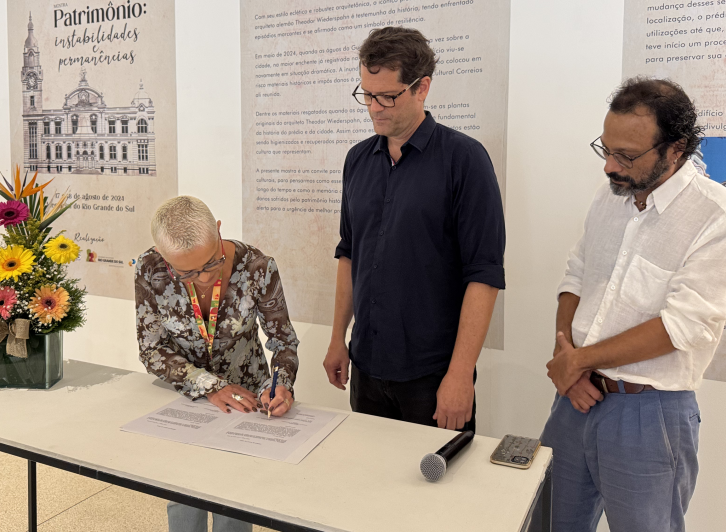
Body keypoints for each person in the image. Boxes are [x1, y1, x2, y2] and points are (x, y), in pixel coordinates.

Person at [539, 78, 726, 531]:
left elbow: (680, 327)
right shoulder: (610, 197)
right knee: (548, 524)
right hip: (574, 398)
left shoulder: (719, 216)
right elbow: (575, 276)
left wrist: (577, 361)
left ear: (675, 149)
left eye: (627, 156)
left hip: (648, 416)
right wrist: (566, 356)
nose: (609, 167)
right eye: (606, 150)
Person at [322, 26, 505, 431]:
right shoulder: (357, 160)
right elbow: (349, 251)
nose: (374, 107)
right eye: (367, 94)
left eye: (388, 96)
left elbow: (485, 275)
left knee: (437, 489)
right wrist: (339, 337)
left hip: (432, 375)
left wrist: (460, 376)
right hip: (367, 365)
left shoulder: (465, 161)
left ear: (422, 88)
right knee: (370, 485)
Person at [134, 195, 299, 532]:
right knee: (183, 493)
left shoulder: (257, 267)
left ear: (219, 231)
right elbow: (151, 349)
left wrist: (281, 384)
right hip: (187, 397)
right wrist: (211, 386)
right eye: (187, 272)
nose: (205, 278)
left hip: (248, 400)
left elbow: (282, 341)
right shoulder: (150, 269)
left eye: (211, 263)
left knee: (235, 500)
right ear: (163, 257)